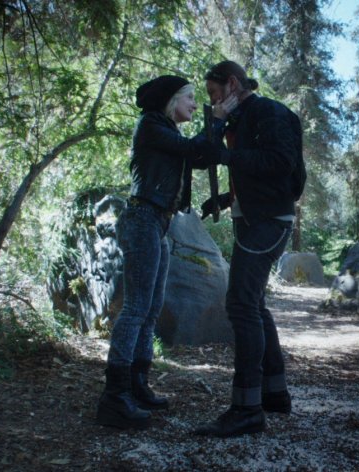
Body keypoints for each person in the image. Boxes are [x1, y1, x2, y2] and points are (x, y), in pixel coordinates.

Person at [96, 75, 228, 429]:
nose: (192, 104)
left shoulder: (170, 133)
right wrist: (214, 119)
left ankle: (137, 385)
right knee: (137, 307)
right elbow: (192, 150)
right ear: (172, 100)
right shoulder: (151, 126)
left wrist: (218, 126)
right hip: (142, 219)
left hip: (159, 222)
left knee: (151, 308)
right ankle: (114, 397)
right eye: (189, 98)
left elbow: (198, 154)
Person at [193, 60, 306, 438]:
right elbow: (242, 168)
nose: (211, 102)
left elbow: (279, 162)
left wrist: (227, 155)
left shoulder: (269, 112)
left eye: (213, 95)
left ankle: (246, 408)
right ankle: (274, 395)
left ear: (232, 84)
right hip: (255, 216)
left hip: (269, 221)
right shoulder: (239, 121)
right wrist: (226, 199)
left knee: (241, 305)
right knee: (254, 305)